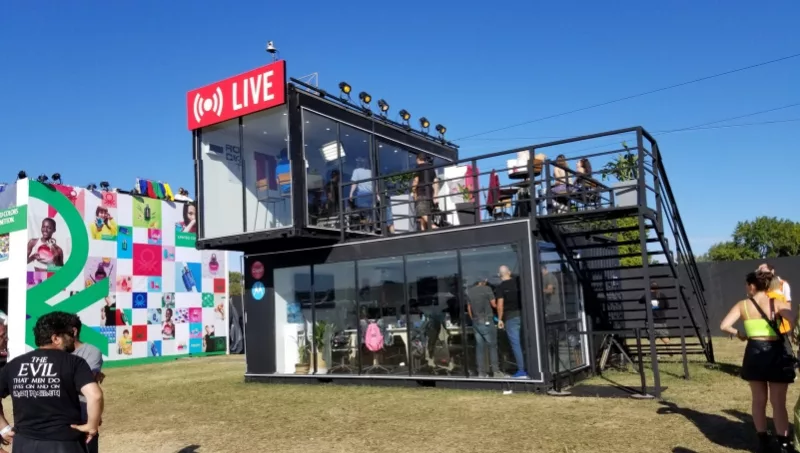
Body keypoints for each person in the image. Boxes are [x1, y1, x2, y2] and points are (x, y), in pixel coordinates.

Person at [0, 311, 104, 452]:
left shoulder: (14, 364)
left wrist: (4, 428)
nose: (72, 339)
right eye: (69, 335)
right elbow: (95, 396)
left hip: (24, 444)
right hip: (64, 443)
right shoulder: (74, 362)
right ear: (56, 338)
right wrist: (92, 425)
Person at [720, 271, 795, 453]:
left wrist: (740, 334)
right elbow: (792, 319)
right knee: (778, 402)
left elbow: (724, 326)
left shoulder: (742, 305)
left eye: (747, 285)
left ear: (752, 286)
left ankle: (763, 442)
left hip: (754, 352)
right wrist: (787, 331)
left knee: (758, 400)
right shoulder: (777, 302)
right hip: (775, 352)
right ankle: (784, 444)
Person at [70, 315, 104, 453]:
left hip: (84, 418)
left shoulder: (91, 352)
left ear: (74, 331)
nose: (53, 337)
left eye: (58, 332)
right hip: (58, 419)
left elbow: (85, 383)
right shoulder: (55, 353)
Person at [466, 276, 502, 378]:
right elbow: (494, 304)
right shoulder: (487, 289)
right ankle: (496, 371)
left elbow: (469, 308)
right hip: (487, 320)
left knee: (479, 347)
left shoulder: (470, 291)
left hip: (476, 321)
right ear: (485, 281)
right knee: (492, 346)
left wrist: (473, 319)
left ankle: (481, 372)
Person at [496, 265, 528, 378]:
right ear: (509, 272)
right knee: (526, 342)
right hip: (524, 315)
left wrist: (500, 319)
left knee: (516, 344)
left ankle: (521, 370)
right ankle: (531, 366)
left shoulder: (500, 287)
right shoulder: (518, 283)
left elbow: (500, 305)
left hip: (510, 317)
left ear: (499, 275)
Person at [412, 153, 439, 231]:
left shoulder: (418, 168)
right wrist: (435, 195)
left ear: (418, 159)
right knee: (424, 215)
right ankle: (423, 231)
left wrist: (413, 191)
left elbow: (416, 181)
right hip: (430, 193)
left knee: (421, 212)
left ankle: (433, 226)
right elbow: (436, 181)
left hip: (421, 193)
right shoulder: (431, 168)